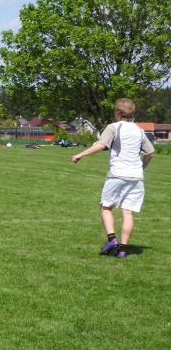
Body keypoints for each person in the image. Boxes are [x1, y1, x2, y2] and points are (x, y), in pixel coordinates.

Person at [71, 98, 154, 258]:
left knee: (106, 207)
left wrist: (80, 154)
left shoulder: (113, 127)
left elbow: (101, 145)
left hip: (117, 174)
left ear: (117, 112)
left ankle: (111, 240)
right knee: (128, 212)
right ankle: (123, 250)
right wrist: (141, 168)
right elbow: (150, 153)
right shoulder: (139, 130)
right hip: (136, 177)